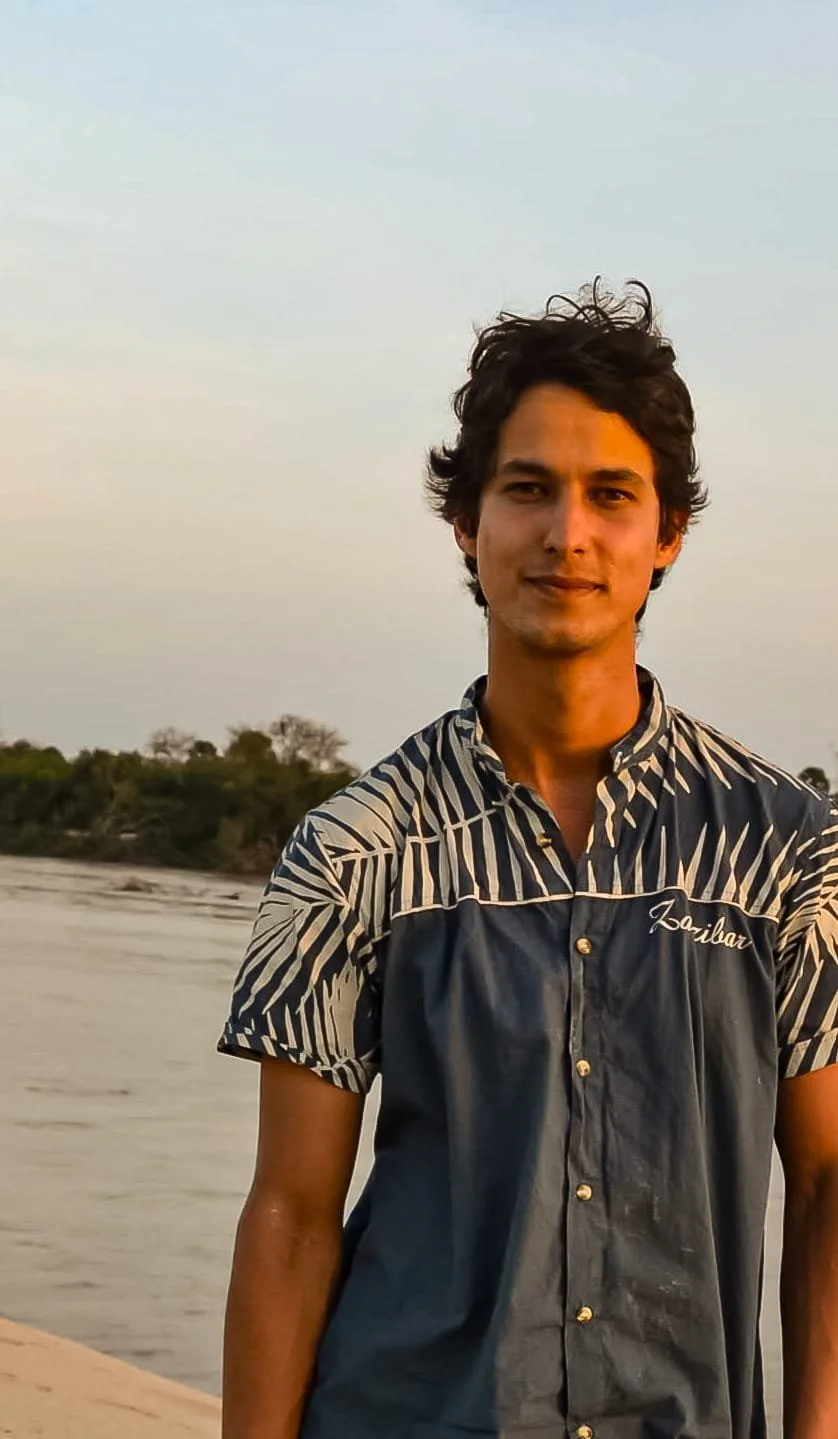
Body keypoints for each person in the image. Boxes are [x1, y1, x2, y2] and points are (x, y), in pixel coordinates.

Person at [218, 282, 838, 1439]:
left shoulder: (782, 850)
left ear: (667, 533)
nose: (567, 534)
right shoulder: (355, 851)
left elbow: (826, 1182)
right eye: (526, 489)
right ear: (467, 522)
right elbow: (290, 1214)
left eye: (611, 494)